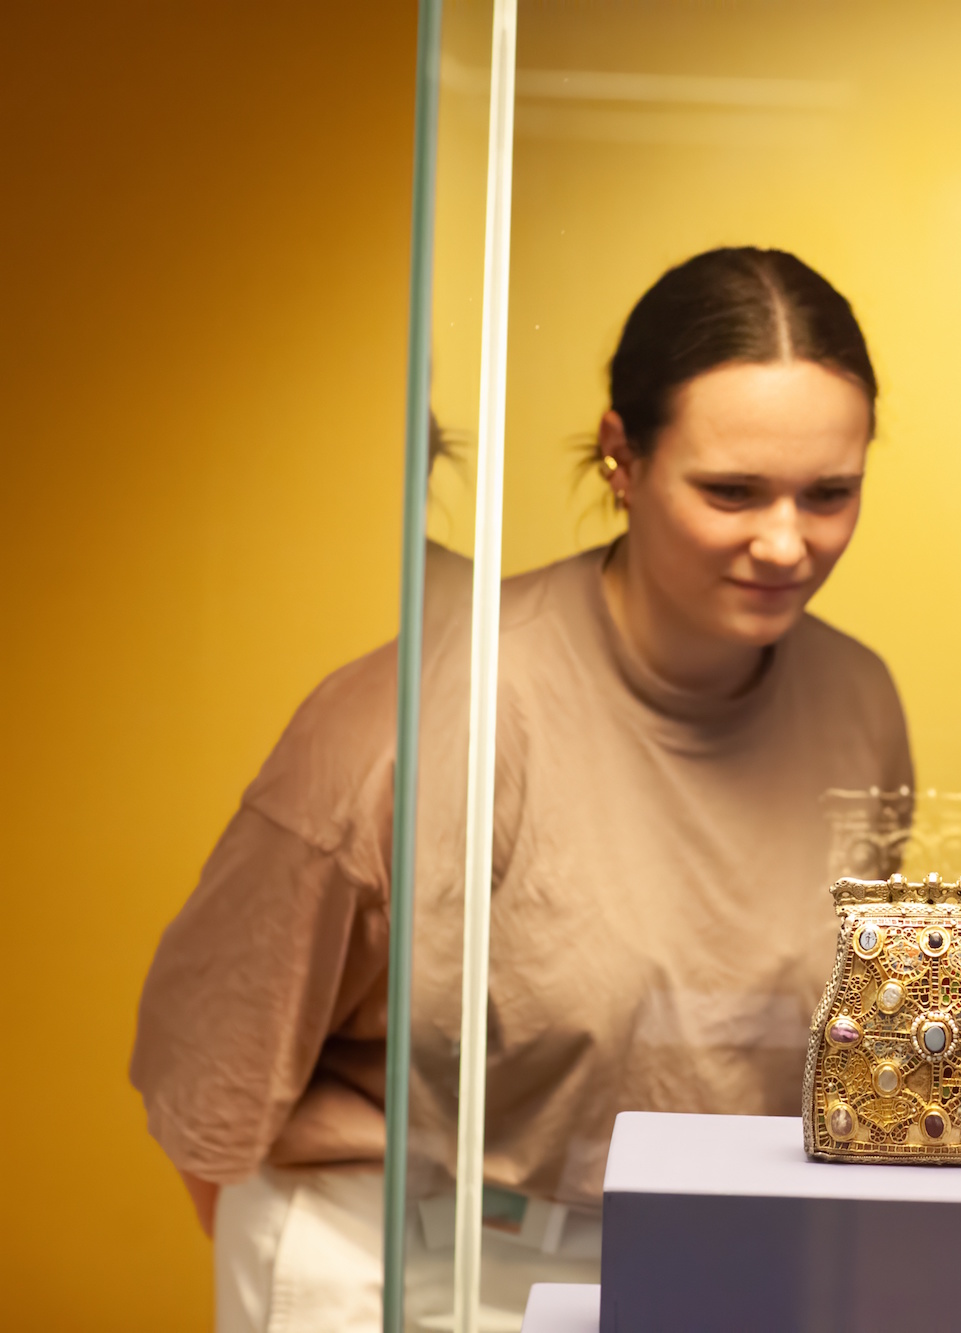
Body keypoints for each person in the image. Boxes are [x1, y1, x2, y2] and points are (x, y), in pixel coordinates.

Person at [130, 247, 914, 1331]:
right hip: (410, 1260)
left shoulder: (857, 702)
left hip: (703, 1259)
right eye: (731, 491)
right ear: (621, 459)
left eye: (828, 495)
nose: (785, 542)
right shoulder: (424, 715)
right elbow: (209, 1078)